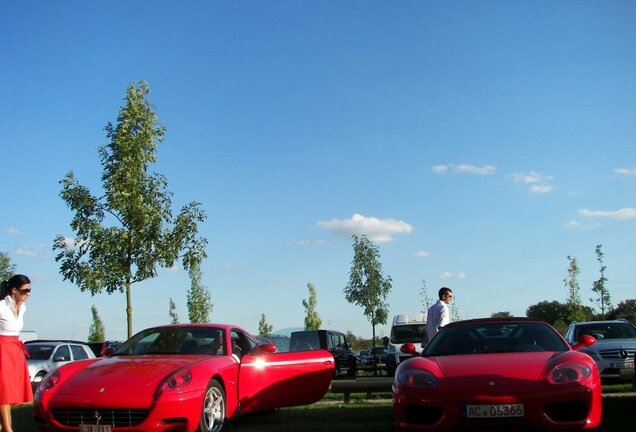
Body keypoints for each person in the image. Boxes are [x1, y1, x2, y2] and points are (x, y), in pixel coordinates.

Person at [0, 274, 34, 432]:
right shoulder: (1, 306)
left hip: (15, 350)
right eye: (25, 290)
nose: (28, 293)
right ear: (14, 290)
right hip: (2, 350)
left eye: (29, 290)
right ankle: (8, 429)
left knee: (10, 391)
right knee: (4, 391)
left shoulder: (23, 308)